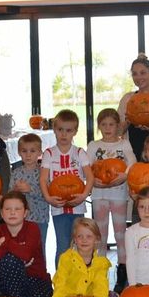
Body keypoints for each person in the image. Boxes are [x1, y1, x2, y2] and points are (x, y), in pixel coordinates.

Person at [0, 192, 52, 297]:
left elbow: (26, 254)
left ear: (25, 213)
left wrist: (5, 244)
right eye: (8, 209)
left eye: (17, 209)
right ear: (2, 214)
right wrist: (14, 249)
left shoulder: (32, 228)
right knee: (10, 259)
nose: (12, 212)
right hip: (10, 282)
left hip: (36, 279)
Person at [41, 109, 94, 260]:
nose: (64, 134)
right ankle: (61, 283)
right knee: (63, 246)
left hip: (78, 206)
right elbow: (43, 179)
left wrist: (84, 195)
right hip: (58, 207)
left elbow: (90, 177)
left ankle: (79, 280)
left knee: (79, 245)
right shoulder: (49, 154)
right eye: (60, 130)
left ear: (75, 131)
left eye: (68, 130)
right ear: (54, 131)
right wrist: (48, 198)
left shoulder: (79, 153)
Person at [87, 109, 135, 273]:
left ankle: (123, 268)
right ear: (99, 126)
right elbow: (86, 168)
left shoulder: (124, 144)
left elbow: (133, 163)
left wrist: (125, 175)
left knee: (121, 233)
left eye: (111, 124)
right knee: (100, 234)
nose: (108, 128)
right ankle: (99, 269)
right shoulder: (94, 145)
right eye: (104, 124)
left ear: (118, 126)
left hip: (119, 194)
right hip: (99, 195)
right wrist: (93, 181)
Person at [47, 218, 112, 297]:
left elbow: (101, 285)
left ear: (96, 239)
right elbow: (60, 285)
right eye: (80, 236)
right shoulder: (65, 259)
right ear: (75, 239)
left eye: (89, 236)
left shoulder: (101, 262)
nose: (84, 240)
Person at [11, 133, 50, 264]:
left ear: (40, 152)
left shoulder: (43, 172)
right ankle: (23, 276)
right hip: (20, 219)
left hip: (40, 218)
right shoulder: (16, 173)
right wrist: (16, 191)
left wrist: (30, 189)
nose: (28, 155)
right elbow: (10, 196)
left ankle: (41, 276)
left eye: (32, 151)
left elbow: (48, 193)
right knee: (21, 248)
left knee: (39, 248)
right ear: (19, 152)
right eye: (24, 151)